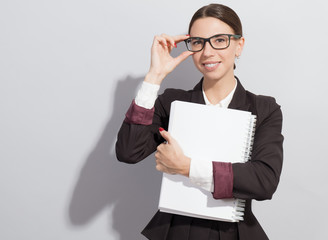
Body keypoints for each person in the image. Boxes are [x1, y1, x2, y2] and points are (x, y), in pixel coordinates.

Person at [115, 3, 283, 240]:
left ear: (239, 45)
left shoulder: (264, 109)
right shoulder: (172, 103)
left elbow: (264, 181)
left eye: (220, 40)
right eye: (198, 42)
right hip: (177, 232)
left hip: (234, 233)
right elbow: (128, 152)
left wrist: (186, 167)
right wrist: (154, 76)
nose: (208, 52)